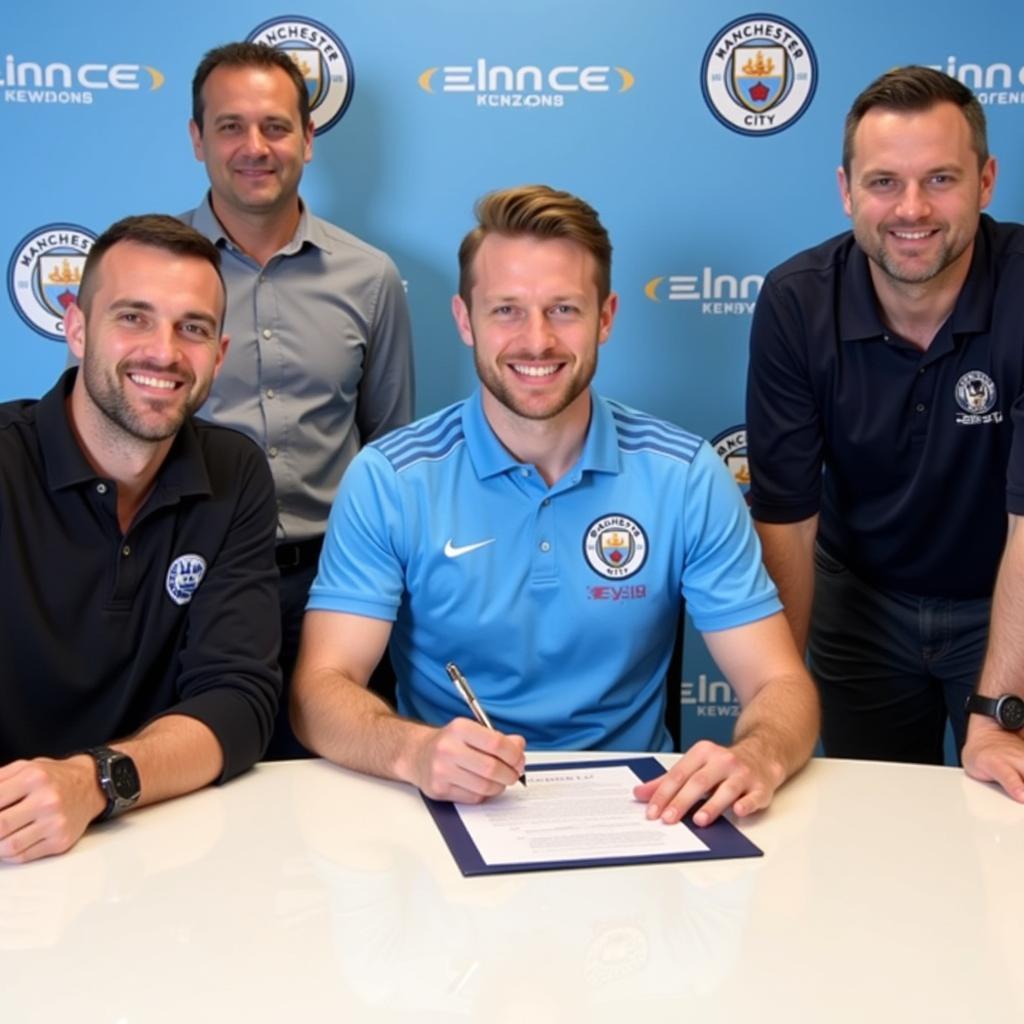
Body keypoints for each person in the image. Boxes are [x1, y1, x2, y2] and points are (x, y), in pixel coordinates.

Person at [291, 185, 818, 825]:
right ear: (465, 320)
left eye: (563, 309)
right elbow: (320, 691)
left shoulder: (684, 475)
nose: (536, 341)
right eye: (506, 310)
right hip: (446, 809)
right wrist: (415, 751)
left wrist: (757, 756)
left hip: (641, 814)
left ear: (606, 316)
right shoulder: (390, 479)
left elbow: (779, 685)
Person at [747, 66, 1024, 783]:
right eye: (883, 183)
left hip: (1006, 597)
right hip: (860, 608)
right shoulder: (795, 302)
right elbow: (787, 520)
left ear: (986, 181)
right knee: (869, 836)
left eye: (940, 179)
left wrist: (996, 712)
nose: (912, 209)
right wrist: (779, 706)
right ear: (846, 192)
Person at [0, 215, 281, 863]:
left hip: (155, 840)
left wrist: (93, 782)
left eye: (193, 328)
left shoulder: (234, 472)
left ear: (219, 352)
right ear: (75, 328)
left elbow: (237, 701)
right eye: (133, 317)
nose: (163, 351)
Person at [181, 41, 414, 758]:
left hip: (337, 588)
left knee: (346, 804)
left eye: (276, 127)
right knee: (195, 793)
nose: (255, 147)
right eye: (230, 126)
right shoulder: (159, 271)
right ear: (197, 139)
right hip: (193, 585)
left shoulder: (372, 278)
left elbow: (390, 449)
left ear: (308, 140)